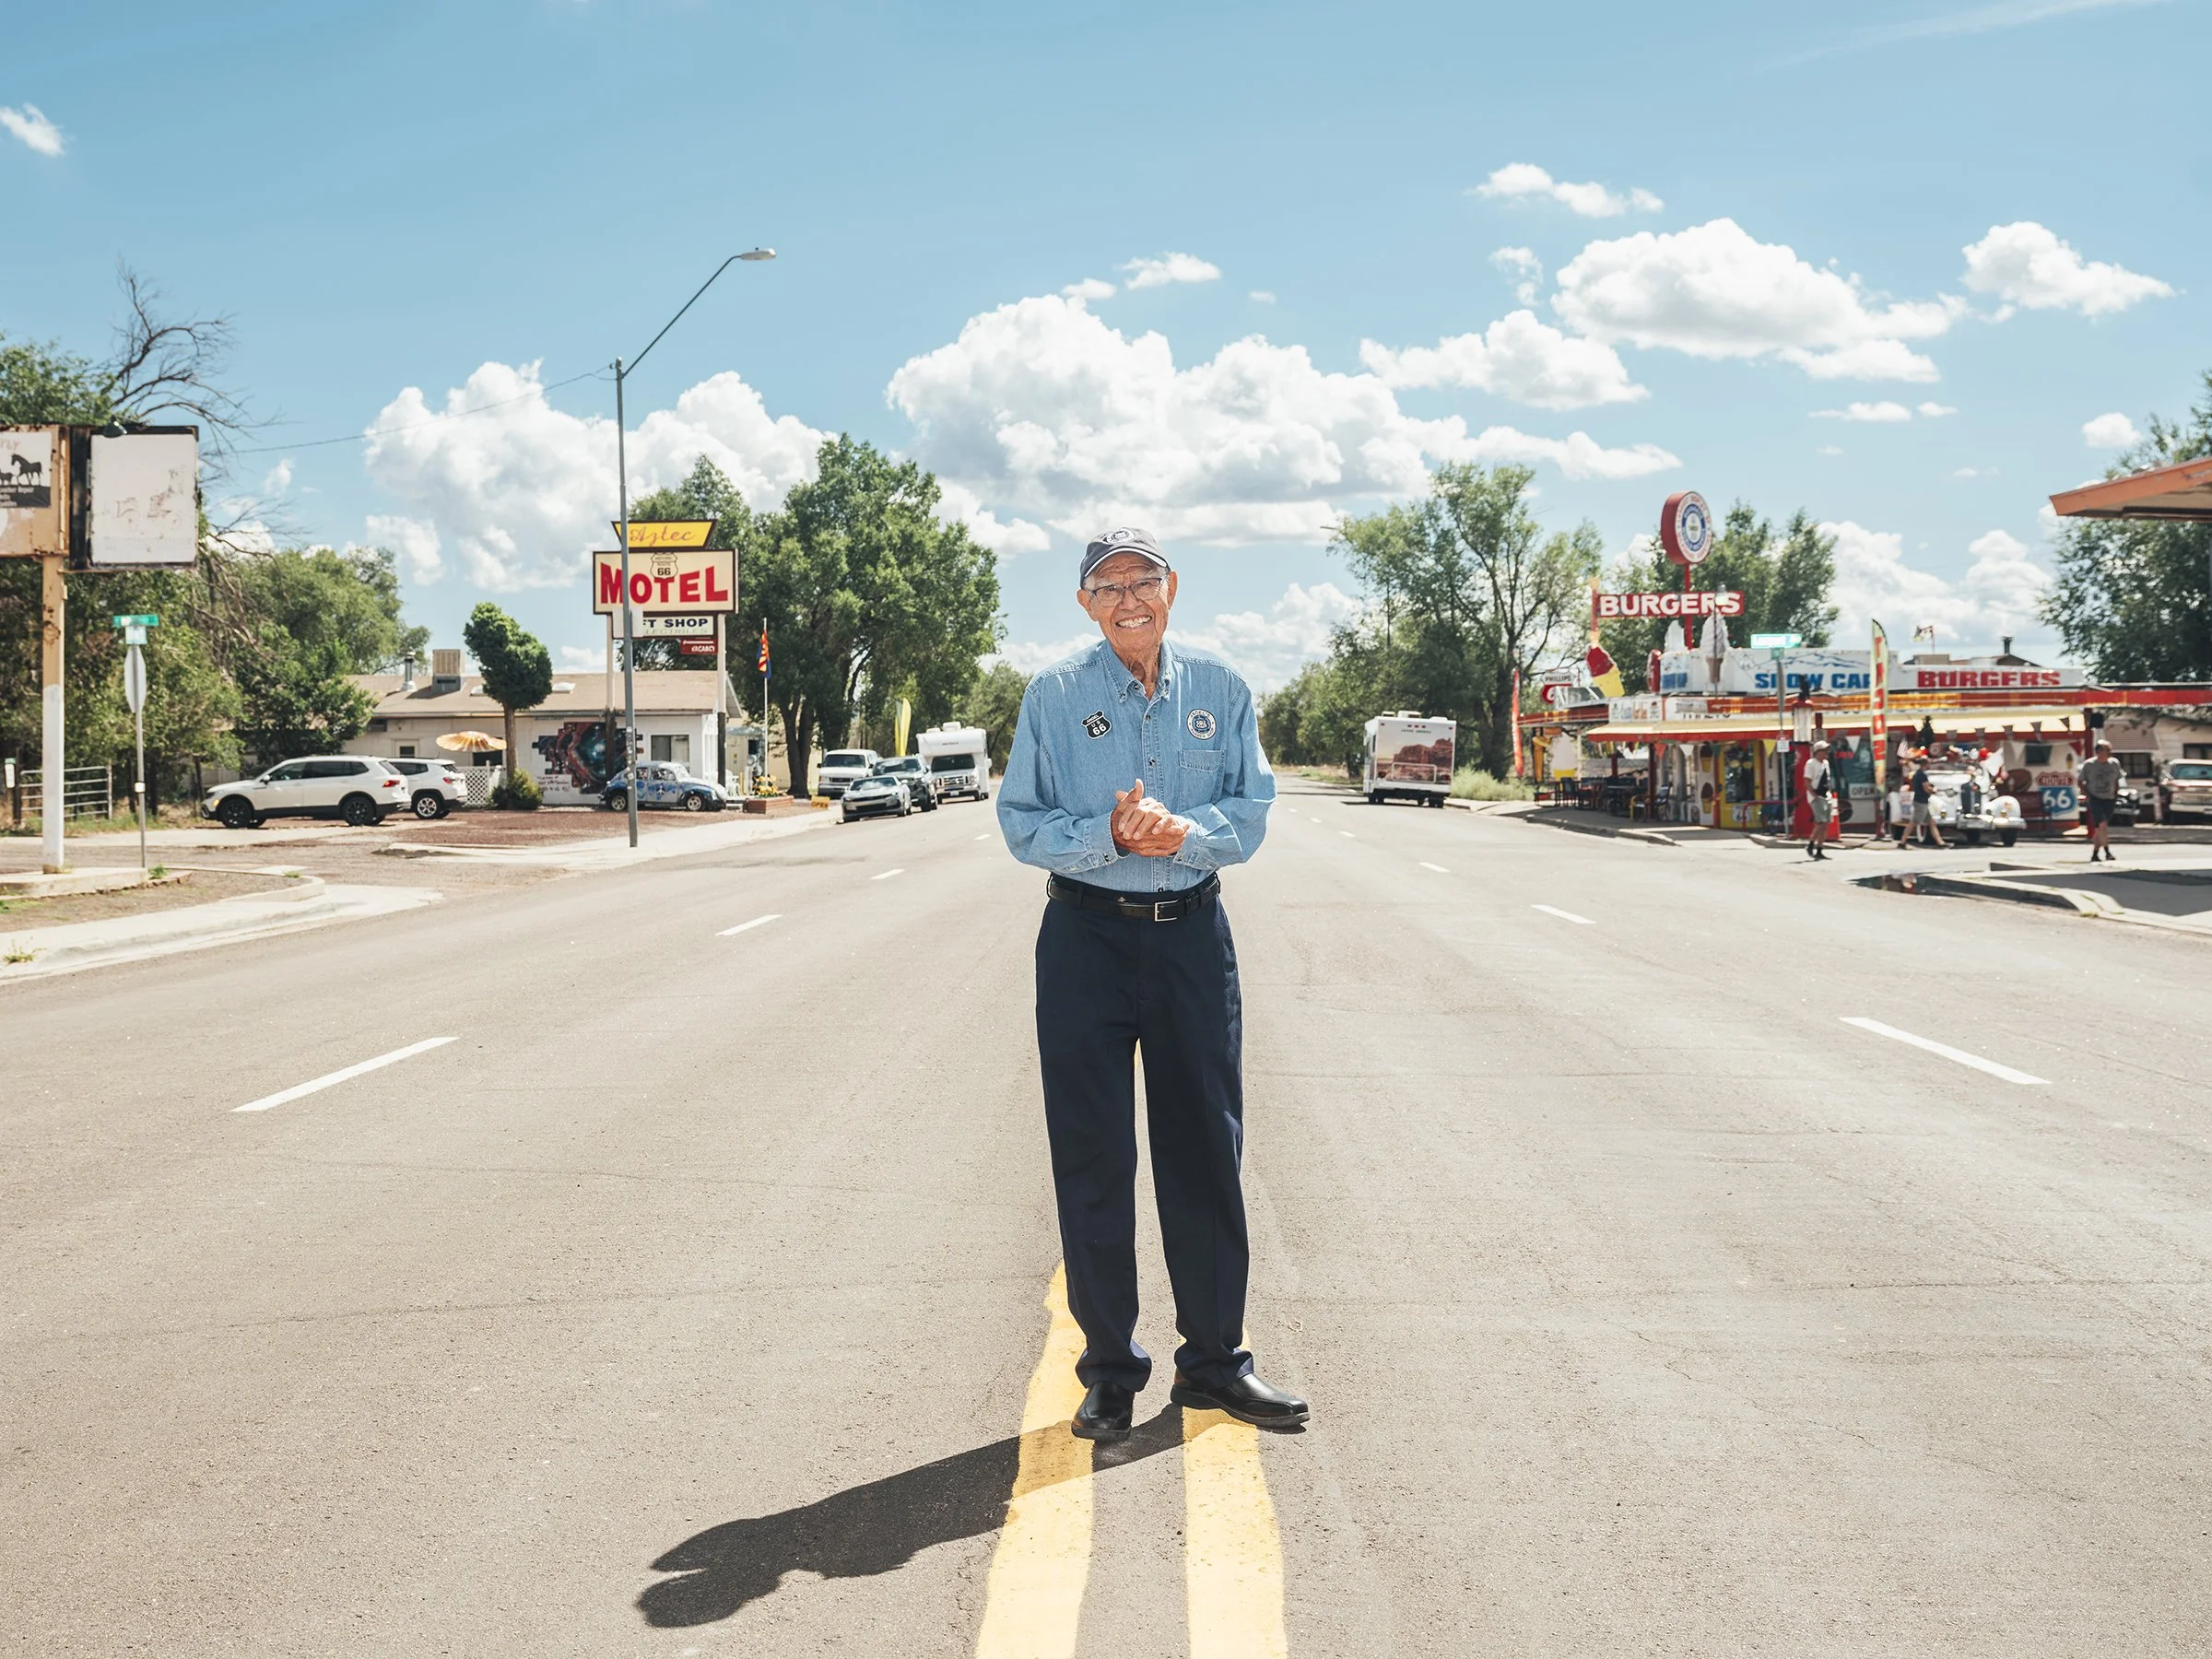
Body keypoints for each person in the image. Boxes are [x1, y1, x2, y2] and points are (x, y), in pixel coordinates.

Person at [997, 526, 1307, 1441]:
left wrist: (1188, 832)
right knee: (1092, 1158)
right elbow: (1021, 821)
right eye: (1108, 587)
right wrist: (1111, 835)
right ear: (1086, 605)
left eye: (1144, 581)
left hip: (1190, 937)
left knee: (1205, 1152)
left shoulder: (1221, 688)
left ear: (1172, 588)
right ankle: (1111, 1371)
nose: (1129, 600)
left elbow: (1249, 811)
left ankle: (1215, 1364)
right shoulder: (1053, 696)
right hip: (1085, 940)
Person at [2080, 738, 2124, 863]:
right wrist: (2087, 794)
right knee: (2102, 824)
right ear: (2099, 751)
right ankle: (2107, 852)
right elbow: (2080, 781)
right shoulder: (2089, 765)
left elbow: (2117, 779)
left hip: (2109, 798)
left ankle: (2095, 854)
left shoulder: (2114, 763)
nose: (2109, 752)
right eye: (2107, 750)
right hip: (2095, 798)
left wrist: (2116, 794)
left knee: (2101, 829)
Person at [1803, 740, 1836, 859]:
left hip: (1826, 795)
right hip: (1816, 796)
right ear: (1817, 752)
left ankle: (1820, 849)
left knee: (1826, 823)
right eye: (1824, 750)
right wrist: (1814, 795)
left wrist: (1830, 793)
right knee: (1821, 822)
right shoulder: (1811, 763)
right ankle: (1811, 843)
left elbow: (1827, 780)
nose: (1826, 753)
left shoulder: (1826, 763)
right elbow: (1807, 781)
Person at [1910, 755, 1944, 850]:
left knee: (1931, 822)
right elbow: (1926, 788)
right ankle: (1903, 841)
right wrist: (1934, 790)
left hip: (1922, 800)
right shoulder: (1922, 775)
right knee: (1914, 822)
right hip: (1921, 801)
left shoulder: (1917, 774)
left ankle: (1940, 842)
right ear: (1925, 764)